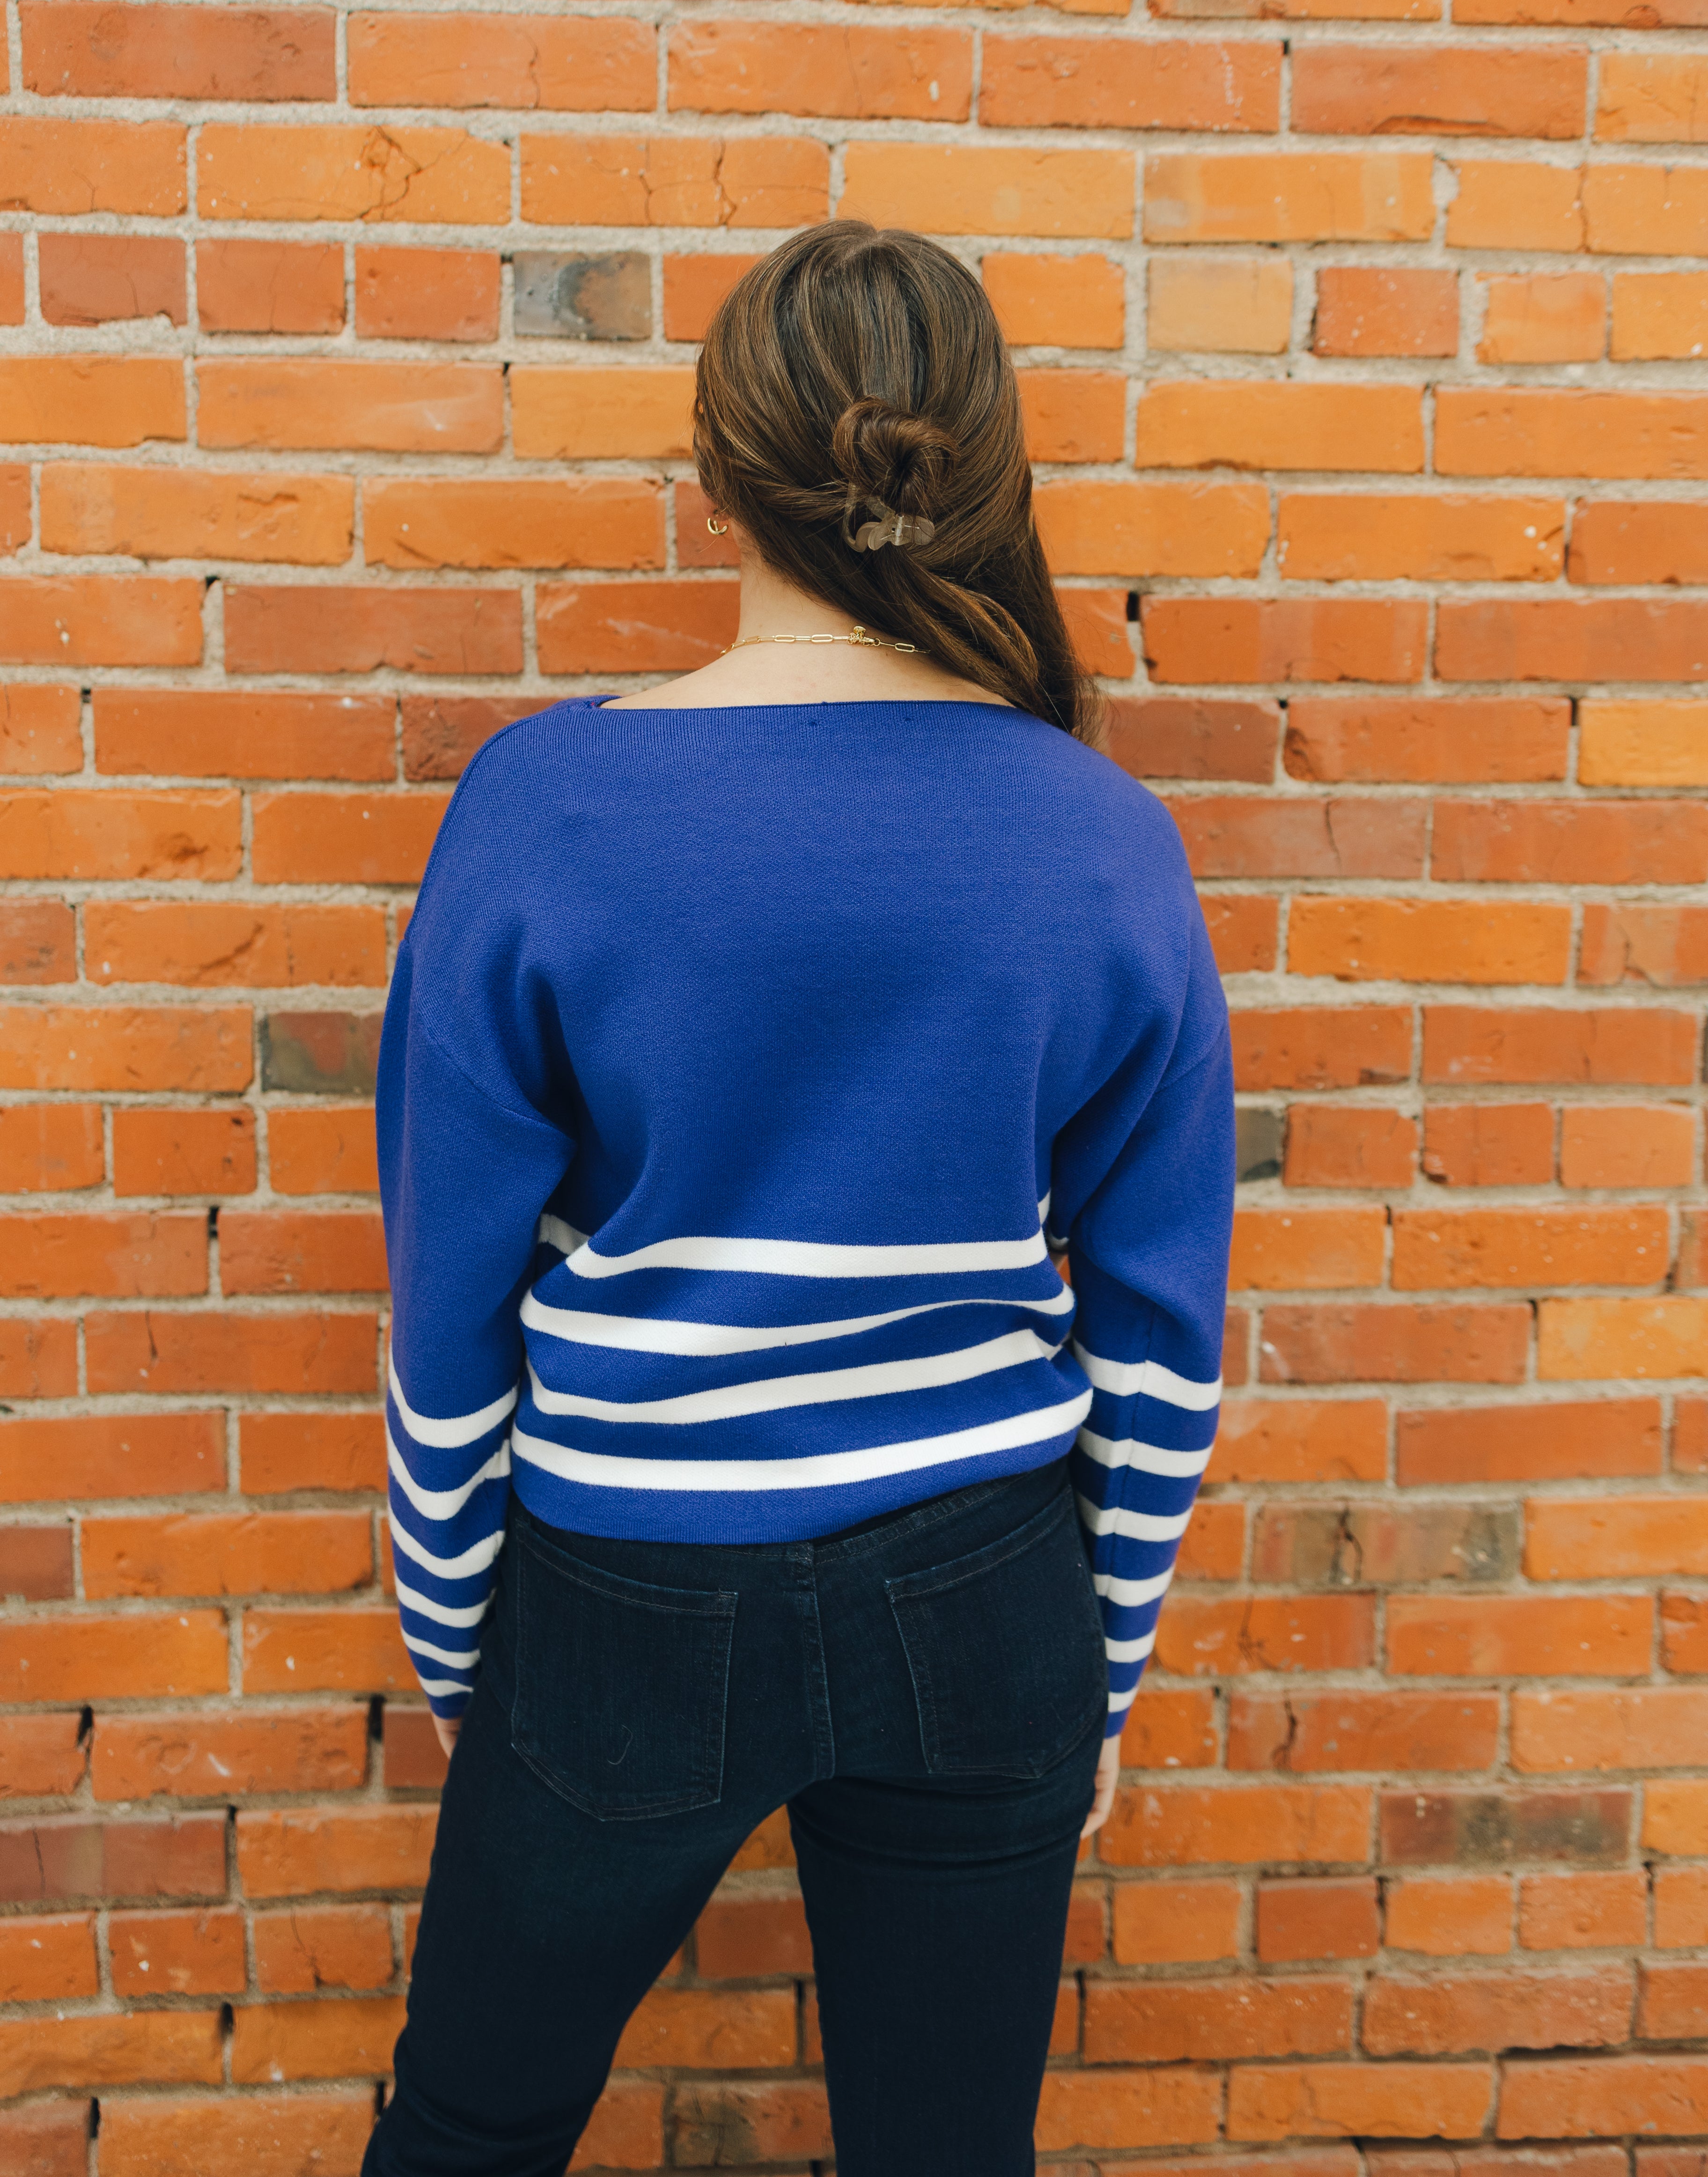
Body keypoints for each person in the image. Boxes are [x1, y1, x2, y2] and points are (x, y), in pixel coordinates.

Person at [367, 217, 1235, 2177]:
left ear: (714, 475)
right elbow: (1162, 1323)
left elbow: (449, 1294)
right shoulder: (1104, 837)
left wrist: (454, 1636)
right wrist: (1098, 1664)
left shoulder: (540, 806)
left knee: (471, 2126)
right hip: (987, 1582)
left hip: (621, 1592)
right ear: (988, 470)